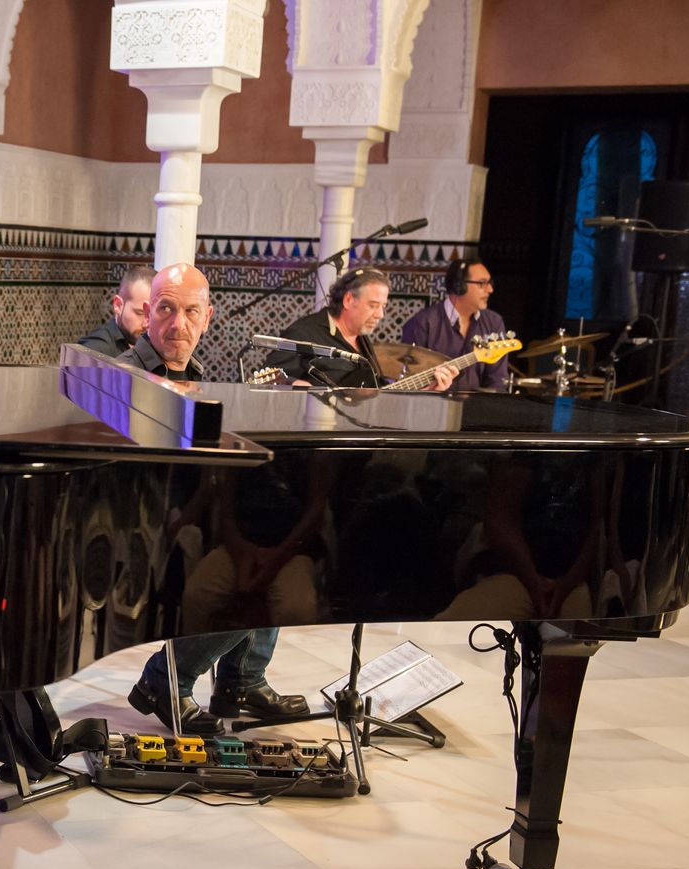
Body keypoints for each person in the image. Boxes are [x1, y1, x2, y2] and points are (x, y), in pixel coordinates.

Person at [113, 264, 309, 735]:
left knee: (269, 539)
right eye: (166, 309)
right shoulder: (126, 377)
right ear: (147, 313)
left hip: (192, 513)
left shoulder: (195, 374)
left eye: (190, 312)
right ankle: (166, 680)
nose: (177, 324)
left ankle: (242, 680)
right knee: (244, 567)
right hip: (146, 525)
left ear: (207, 318)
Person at [271, 268, 456, 391]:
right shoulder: (305, 332)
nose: (380, 315)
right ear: (348, 300)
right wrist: (302, 389)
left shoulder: (361, 339)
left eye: (383, 306)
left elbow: (377, 392)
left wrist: (427, 390)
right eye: (373, 305)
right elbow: (271, 376)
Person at [400, 257, 511, 391]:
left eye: (489, 283)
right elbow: (407, 378)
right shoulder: (423, 323)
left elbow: (497, 382)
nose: (490, 289)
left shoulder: (494, 322)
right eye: (482, 283)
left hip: (478, 402)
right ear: (459, 286)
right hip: (432, 401)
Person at [77, 264, 154, 358]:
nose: (147, 324)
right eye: (140, 313)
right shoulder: (96, 349)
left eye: (152, 315)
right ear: (118, 305)